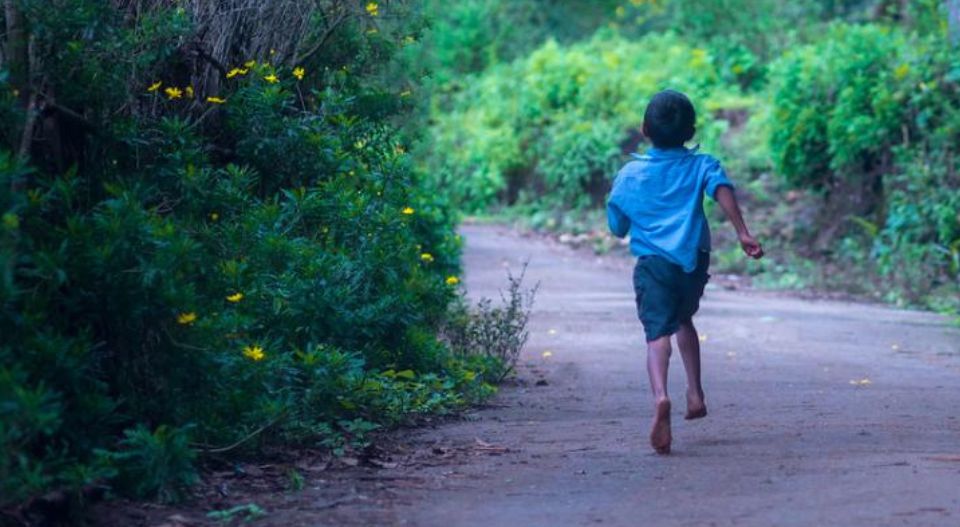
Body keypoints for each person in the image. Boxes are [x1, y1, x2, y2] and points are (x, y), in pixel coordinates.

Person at [606, 89, 764, 455]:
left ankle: (662, 397)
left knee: (656, 332)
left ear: (645, 129)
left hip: (653, 265)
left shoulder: (631, 175)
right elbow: (720, 189)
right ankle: (695, 392)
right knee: (683, 319)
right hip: (693, 262)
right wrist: (742, 231)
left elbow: (617, 225)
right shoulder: (703, 164)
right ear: (691, 130)